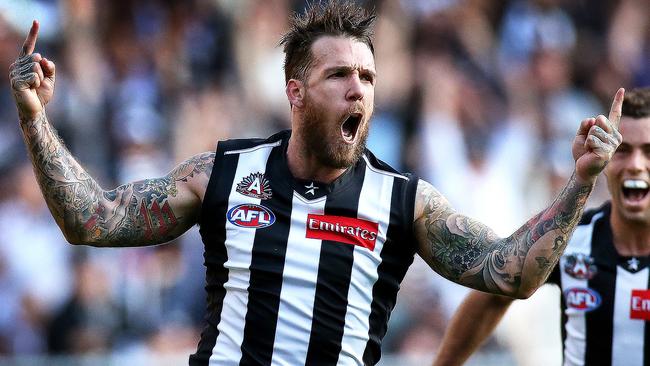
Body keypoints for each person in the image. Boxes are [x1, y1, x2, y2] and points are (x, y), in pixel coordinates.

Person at [9, 1, 624, 365]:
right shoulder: (223, 174)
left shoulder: (405, 201)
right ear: (295, 93)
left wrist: (579, 182)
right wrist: (36, 118)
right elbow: (90, 220)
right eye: (339, 75)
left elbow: (510, 273)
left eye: (368, 76)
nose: (359, 89)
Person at [433, 87, 650, 366]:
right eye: (623, 151)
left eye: (648, 151)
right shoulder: (572, 239)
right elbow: (495, 291)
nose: (635, 165)